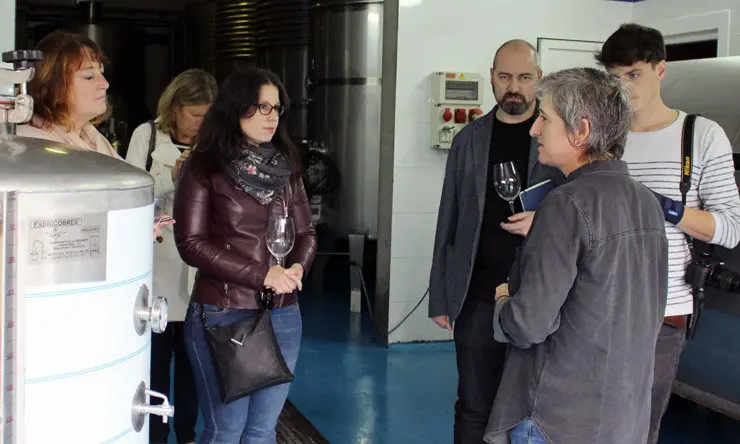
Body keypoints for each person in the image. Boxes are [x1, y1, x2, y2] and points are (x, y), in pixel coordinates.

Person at [484, 67, 668, 444]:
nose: (534, 129)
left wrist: (504, 300)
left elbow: (529, 324)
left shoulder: (566, 204)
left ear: (580, 131)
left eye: (545, 119)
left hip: (557, 418)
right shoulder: (647, 203)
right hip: (623, 416)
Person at [596, 24, 740, 443]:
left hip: (663, 312)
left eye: (634, 74)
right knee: (588, 420)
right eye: (614, 76)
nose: (623, 87)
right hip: (594, 303)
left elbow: (730, 228)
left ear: (661, 69)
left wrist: (666, 208)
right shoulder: (602, 135)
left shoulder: (700, 136)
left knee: (639, 426)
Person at [427, 40, 564, 444]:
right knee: (473, 405)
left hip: (538, 298)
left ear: (538, 79)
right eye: (505, 77)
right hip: (478, 298)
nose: (514, 87)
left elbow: (578, 205)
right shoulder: (468, 140)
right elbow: (447, 219)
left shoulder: (556, 139)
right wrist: (441, 296)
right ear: (491, 77)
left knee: (530, 410)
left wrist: (545, 218)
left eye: (524, 77)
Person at [173, 67, 316, 443]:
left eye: (276, 109)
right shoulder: (204, 166)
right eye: (261, 107)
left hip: (283, 312)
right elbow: (190, 242)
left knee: (262, 430)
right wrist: (262, 274)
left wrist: (299, 265)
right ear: (235, 109)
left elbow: (306, 232)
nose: (271, 117)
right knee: (226, 429)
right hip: (224, 312)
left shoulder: (286, 168)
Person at [125, 68, 217, 444]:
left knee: (195, 361)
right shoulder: (146, 137)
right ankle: (156, 435)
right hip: (156, 266)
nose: (200, 124)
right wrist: (172, 183)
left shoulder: (215, 143)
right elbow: (131, 197)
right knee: (156, 359)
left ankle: (187, 434)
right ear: (174, 108)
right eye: (195, 115)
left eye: (207, 116)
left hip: (196, 267)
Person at [17, 30, 119, 158]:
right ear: (54, 88)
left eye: (101, 73)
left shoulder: (93, 138)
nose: (105, 83)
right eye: (89, 76)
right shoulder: (34, 146)